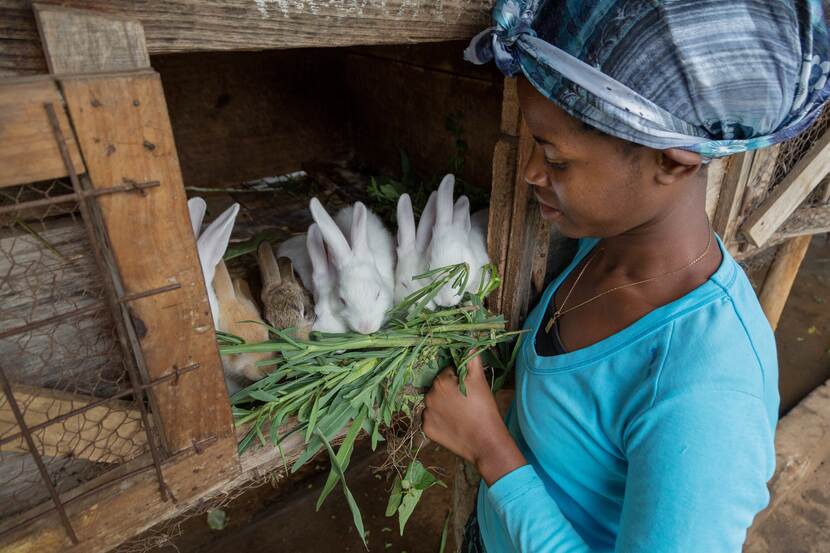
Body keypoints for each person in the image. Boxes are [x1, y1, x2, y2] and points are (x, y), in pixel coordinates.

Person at [421, 1, 830, 552]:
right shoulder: (602, 246)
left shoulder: (708, 392)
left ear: (673, 162)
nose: (531, 174)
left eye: (556, 159)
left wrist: (490, 449)